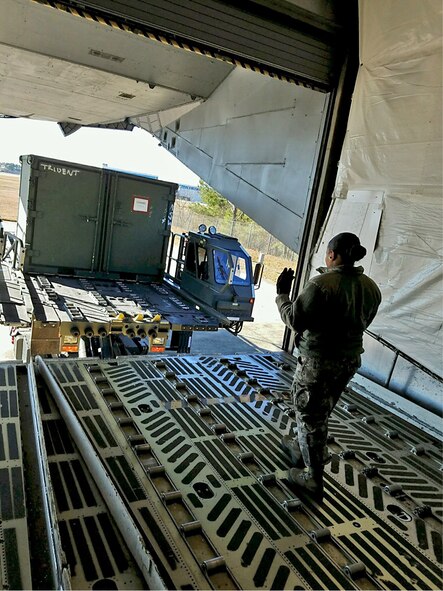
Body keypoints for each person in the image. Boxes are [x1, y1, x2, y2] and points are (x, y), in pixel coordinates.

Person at [275, 232, 381, 500]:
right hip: (348, 362)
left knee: (310, 415)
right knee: (320, 411)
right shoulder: (371, 287)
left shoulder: (321, 285)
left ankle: (312, 479)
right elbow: (364, 322)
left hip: (318, 364)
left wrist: (282, 295)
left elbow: (295, 320)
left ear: (332, 255)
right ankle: (302, 448)